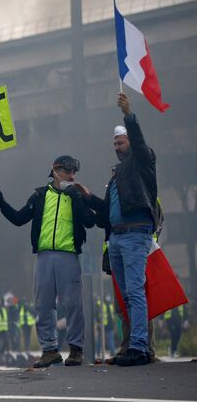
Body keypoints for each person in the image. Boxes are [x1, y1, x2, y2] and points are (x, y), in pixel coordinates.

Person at [0, 154, 95, 367]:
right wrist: (1, 202)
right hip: (44, 257)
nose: (72, 175)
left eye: (75, 172)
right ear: (55, 171)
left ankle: (76, 350)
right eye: (68, 171)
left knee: (73, 303)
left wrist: (78, 198)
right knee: (43, 304)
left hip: (69, 256)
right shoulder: (39, 195)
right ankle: (49, 350)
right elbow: (19, 219)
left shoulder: (76, 195)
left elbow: (91, 221)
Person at [81, 93, 158, 367]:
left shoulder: (142, 162)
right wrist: (89, 197)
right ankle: (131, 345)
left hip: (135, 235)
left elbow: (138, 141)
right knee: (126, 296)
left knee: (135, 292)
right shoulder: (116, 177)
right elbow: (106, 214)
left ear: (131, 144)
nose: (117, 146)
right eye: (114, 143)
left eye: (120, 141)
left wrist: (129, 115)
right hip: (116, 239)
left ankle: (139, 347)